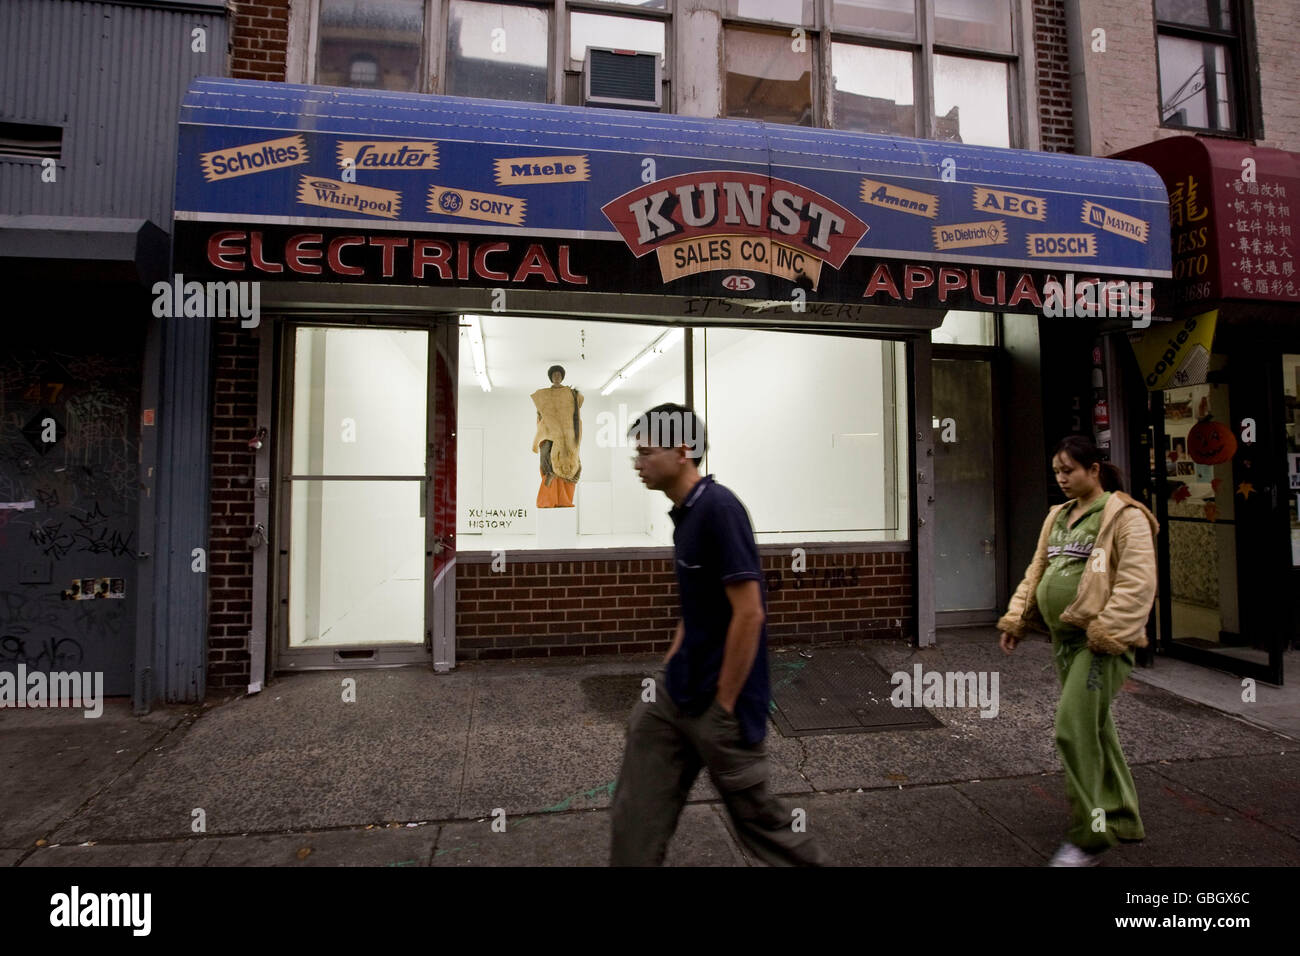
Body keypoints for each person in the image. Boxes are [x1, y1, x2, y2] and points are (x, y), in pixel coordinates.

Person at [609, 403, 824, 867]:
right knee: (634, 815)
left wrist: (724, 708)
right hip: (677, 696)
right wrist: (667, 672)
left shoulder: (720, 509)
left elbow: (749, 614)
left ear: (682, 450)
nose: (637, 462)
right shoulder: (685, 515)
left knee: (763, 825)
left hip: (721, 705)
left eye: (646, 451)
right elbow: (696, 607)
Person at [998, 435, 1158, 867]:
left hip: (1099, 643)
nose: (1062, 479)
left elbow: (1138, 582)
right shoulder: (1058, 516)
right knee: (1096, 727)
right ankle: (1122, 816)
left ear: (1094, 469)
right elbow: (1038, 571)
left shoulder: (1124, 515)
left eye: (1069, 470)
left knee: (1072, 728)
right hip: (1064, 642)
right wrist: (1018, 618)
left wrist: (1108, 632)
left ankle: (1092, 835)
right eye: (1057, 472)